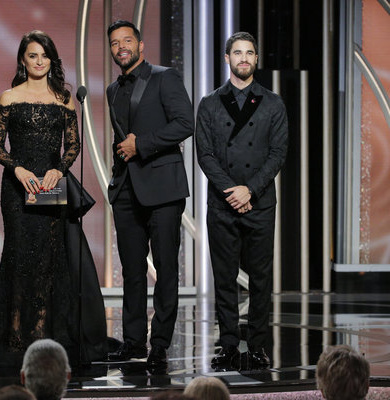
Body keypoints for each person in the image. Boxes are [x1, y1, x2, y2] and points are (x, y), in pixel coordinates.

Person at [0, 30, 107, 368]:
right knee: (18, 259)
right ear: (22, 59)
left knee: (49, 261)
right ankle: (16, 337)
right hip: (18, 190)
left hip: (50, 188)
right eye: (33, 55)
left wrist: (58, 170)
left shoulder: (63, 98)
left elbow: (73, 146)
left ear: (52, 59)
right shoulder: (8, 97)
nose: (39, 61)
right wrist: (17, 170)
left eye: (45, 55)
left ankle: (43, 334)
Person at [195, 32, 288, 370]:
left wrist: (250, 190)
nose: (244, 58)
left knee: (261, 278)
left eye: (250, 52)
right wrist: (232, 192)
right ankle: (230, 345)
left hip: (260, 202)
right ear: (227, 58)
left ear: (256, 59)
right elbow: (204, 154)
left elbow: (278, 153)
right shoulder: (209, 103)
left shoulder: (273, 103)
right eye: (238, 52)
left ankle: (259, 345)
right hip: (223, 203)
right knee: (224, 278)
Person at [105, 20, 194, 369]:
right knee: (131, 271)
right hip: (126, 189)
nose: (121, 47)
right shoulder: (113, 89)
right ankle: (132, 341)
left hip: (163, 187)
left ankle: (159, 344)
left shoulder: (164, 76)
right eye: (115, 43)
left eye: (127, 40)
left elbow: (185, 123)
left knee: (166, 269)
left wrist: (141, 145)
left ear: (141, 46)